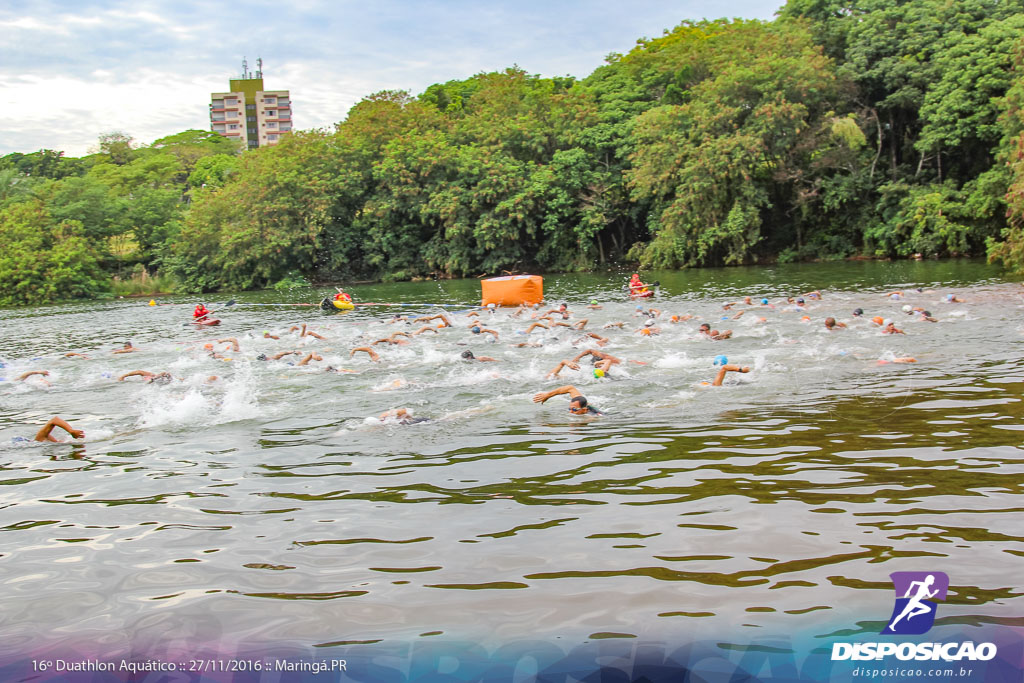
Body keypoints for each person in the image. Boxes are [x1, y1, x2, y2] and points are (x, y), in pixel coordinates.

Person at [532, 385, 601, 415]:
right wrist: (548, 395)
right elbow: (570, 388)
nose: (570, 412)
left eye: (574, 410)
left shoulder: (593, 416)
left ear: (584, 410)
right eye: (569, 409)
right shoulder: (579, 400)